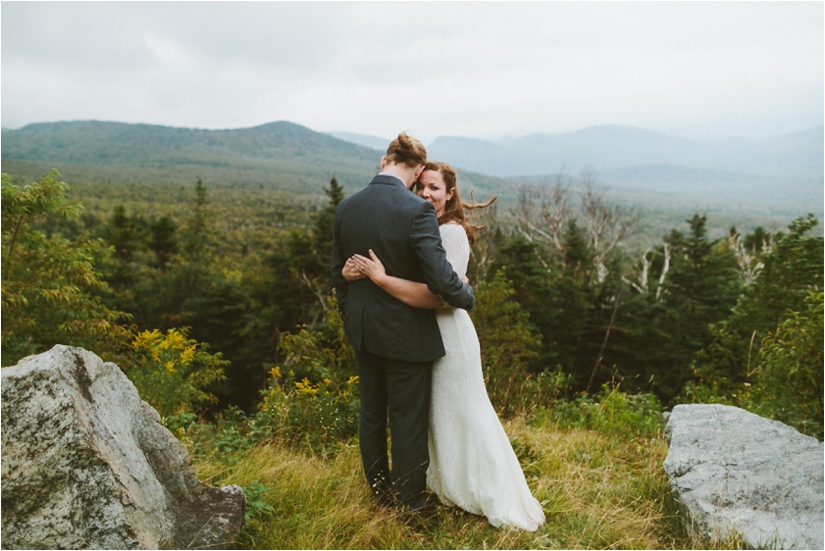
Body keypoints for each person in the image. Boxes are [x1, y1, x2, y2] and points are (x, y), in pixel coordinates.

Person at [343, 162, 546, 531]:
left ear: (450, 193)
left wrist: (383, 279)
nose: (425, 194)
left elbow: (438, 299)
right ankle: (446, 486)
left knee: (465, 415)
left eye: (434, 188)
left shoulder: (451, 233)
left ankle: (490, 491)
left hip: (448, 337)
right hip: (419, 337)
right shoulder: (421, 224)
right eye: (420, 186)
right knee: (438, 419)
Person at [331, 134, 475, 511]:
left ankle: (379, 493)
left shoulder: (347, 206)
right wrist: (467, 297)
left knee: (372, 416)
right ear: (416, 172)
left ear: (384, 161)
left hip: (363, 330)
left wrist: (352, 317)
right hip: (406, 333)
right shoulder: (416, 210)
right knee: (408, 420)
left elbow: (337, 274)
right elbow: (442, 280)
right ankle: (410, 503)